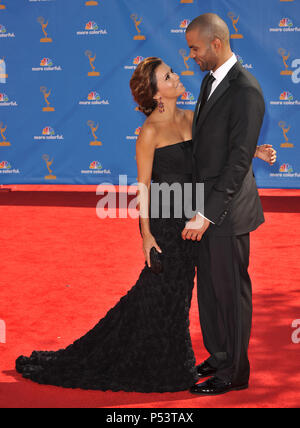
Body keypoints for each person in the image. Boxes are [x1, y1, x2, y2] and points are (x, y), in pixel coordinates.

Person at [15, 57, 275, 392]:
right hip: (169, 228)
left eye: (172, 71)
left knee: (188, 296)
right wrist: (146, 236)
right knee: (162, 297)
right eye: (168, 76)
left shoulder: (192, 116)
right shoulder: (149, 132)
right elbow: (144, 188)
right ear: (155, 94)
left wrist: (254, 150)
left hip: (198, 221)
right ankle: (160, 363)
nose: (176, 75)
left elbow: (220, 147)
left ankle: (218, 357)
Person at [183, 14, 269, 395]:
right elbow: (215, 145)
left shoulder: (247, 90)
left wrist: (206, 213)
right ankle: (219, 355)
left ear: (216, 43)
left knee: (231, 293)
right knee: (210, 291)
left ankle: (235, 372)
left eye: (195, 48)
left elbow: (235, 163)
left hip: (227, 213)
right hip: (206, 206)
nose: (192, 56)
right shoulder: (209, 81)